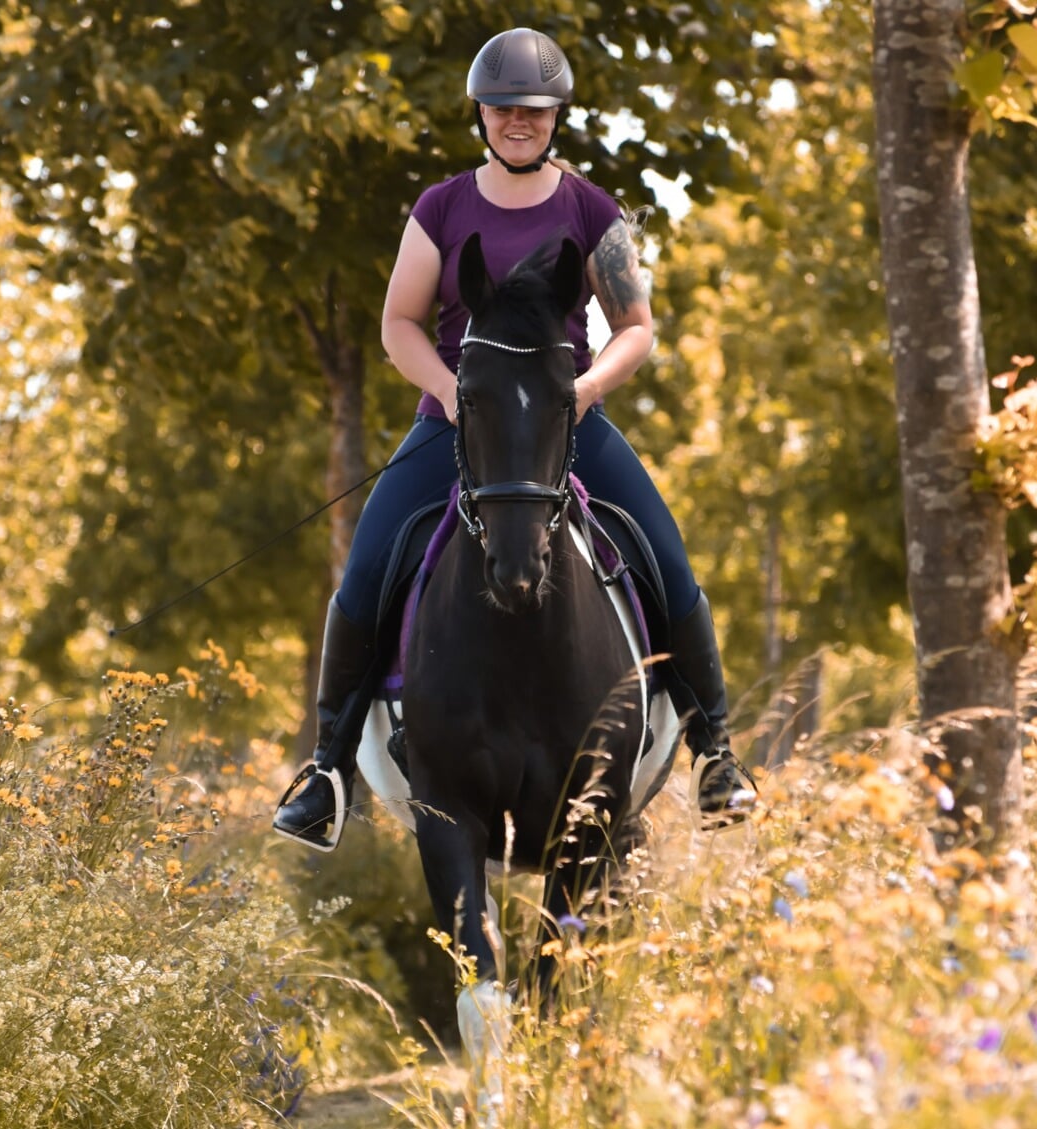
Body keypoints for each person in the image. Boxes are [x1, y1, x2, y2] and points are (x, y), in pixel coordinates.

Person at [273, 27, 757, 851]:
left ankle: (716, 753)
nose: (517, 122)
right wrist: (448, 391)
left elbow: (637, 327)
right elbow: (399, 324)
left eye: (532, 109)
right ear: (483, 116)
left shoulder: (592, 209)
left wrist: (586, 387)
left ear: (555, 114)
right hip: (455, 424)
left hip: (568, 420)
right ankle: (326, 771)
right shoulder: (442, 208)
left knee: (669, 561)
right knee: (363, 576)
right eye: (502, 109)